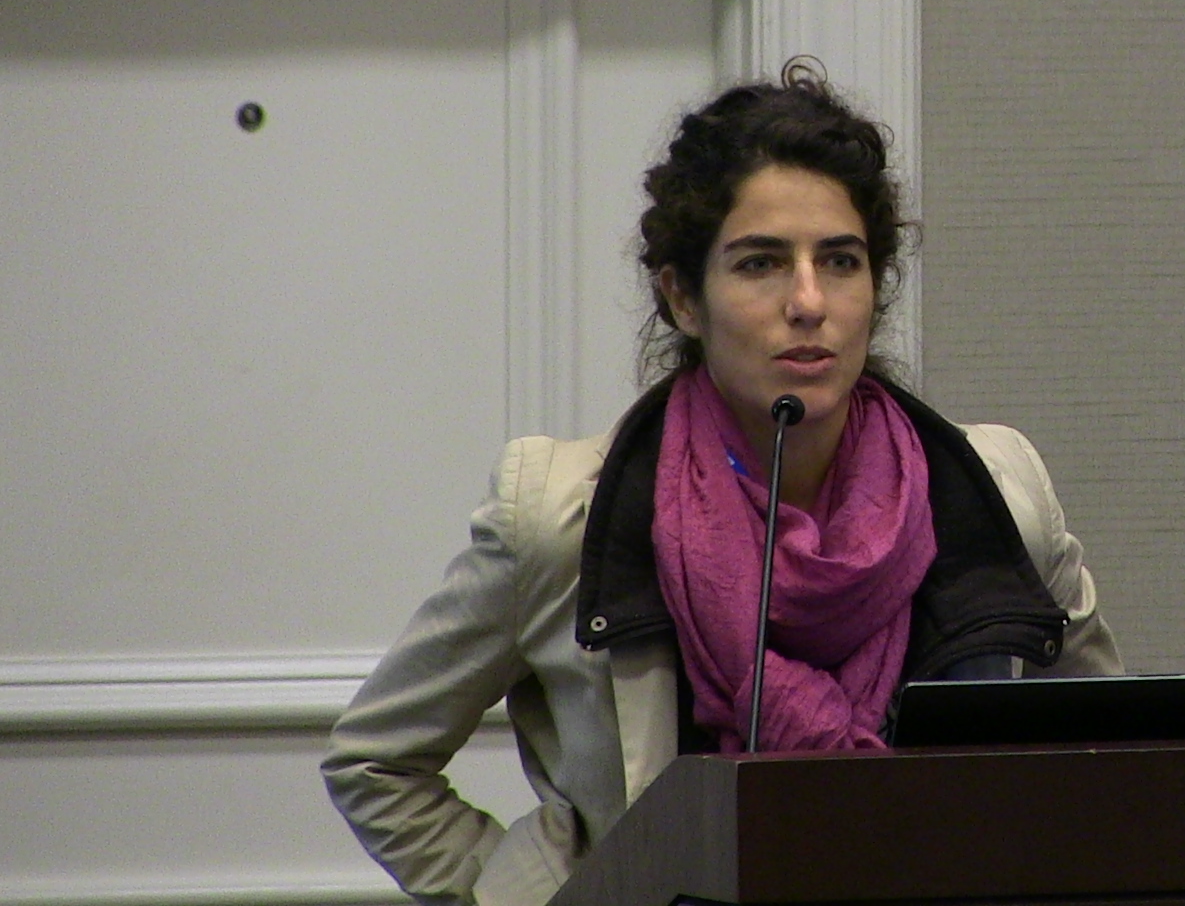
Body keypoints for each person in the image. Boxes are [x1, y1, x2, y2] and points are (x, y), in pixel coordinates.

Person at [321, 60, 1122, 906]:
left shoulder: (994, 493)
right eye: (760, 264)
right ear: (683, 299)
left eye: (840, 261)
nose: (808, 301)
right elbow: (376, 764)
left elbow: (1115, 763)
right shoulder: (560, 516)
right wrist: (547, 896)